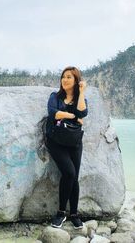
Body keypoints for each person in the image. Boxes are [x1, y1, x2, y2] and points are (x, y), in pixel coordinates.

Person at [45, 66, 88, 229]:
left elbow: (83, 113)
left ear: (76, 80)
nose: (65, 79)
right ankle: (61, 212)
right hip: (55, 141)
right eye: (63, 77)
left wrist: (82, 92)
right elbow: (53, 113)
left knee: (74, 177)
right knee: (69, 172)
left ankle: (74, 214)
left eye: (69, 77)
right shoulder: (55, 97)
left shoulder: (80, 99)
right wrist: (72, 115)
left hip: (75, 142)